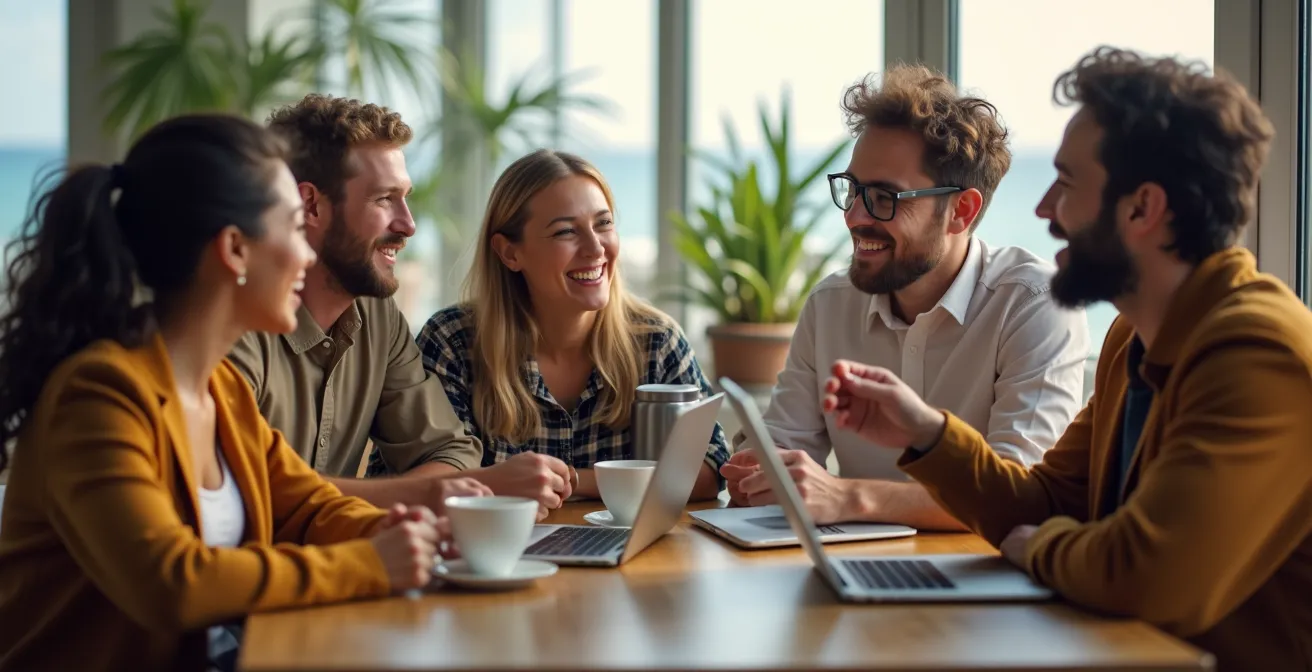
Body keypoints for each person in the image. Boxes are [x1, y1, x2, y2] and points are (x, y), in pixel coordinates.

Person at [821, 47, 1310, 670]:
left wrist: (1037, 548)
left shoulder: (1257, 353)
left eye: (1068, 183)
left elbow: (1147, 576)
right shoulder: (1133, 339)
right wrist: (928, 433)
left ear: (1142, 208)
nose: (1044, 208)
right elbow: (1049, 501)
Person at [0, 114, 450, 672]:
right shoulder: (97, 397)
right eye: (291, 228)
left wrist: (384, 530)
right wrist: (370, 562)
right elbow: (172, 583)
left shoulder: (223, 390)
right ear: (235, 249)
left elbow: (305, 506)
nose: (307, 256)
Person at [721, 64, 1090, 529]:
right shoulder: (830, 304)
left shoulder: (1035, 304)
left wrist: (848, 497)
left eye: (884, 196)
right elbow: (786, 441)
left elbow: (1017, 491)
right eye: (852, 189)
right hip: (849, 569)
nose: (855, 216)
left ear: (962, 210)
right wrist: (759, 468)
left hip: (979, 581)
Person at [227, 93, 527, 517]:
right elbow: (246, 490)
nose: (408, 224)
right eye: (384, 199)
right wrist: (426, 494)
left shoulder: (377, 314)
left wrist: (419, 494)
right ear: (310, 205)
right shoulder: (232, 325)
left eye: (404, 197)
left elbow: (451, 451)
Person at [415, 149, 730, 501]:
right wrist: (632, 481)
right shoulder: (453, 342)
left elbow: (711, 468)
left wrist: (570, 481)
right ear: (509, 253)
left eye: (604, 223)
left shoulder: (656, 340)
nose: (595, 249)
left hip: (635, 556)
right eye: (566, 231)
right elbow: (418, 479)